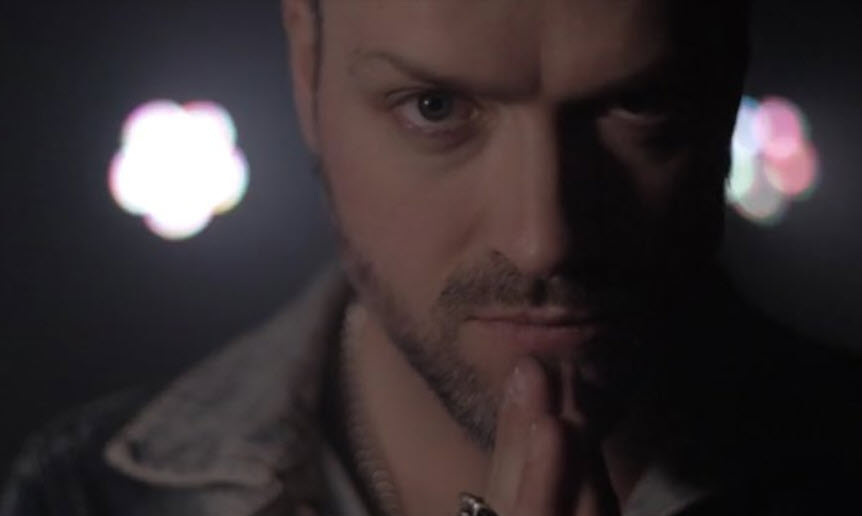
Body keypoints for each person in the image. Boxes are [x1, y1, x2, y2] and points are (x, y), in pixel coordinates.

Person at [2, 1, 860, 515]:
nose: (543, 238)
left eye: (640, 102)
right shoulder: (86, 498)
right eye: (434, 107)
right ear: (306, 65)